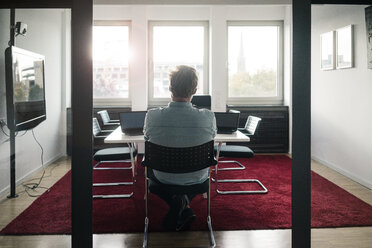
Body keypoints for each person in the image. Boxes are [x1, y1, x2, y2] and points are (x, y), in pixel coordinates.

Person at [143, 65, 216, 231]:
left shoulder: (152, 115)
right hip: (197, 176)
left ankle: (179, 202)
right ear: (195, 90)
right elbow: (212, 137)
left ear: (170, 88)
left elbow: (147, 138)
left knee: (151, 171)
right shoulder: (208, 116)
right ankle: (183, 202)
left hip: (163, 177)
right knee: (189, 176)